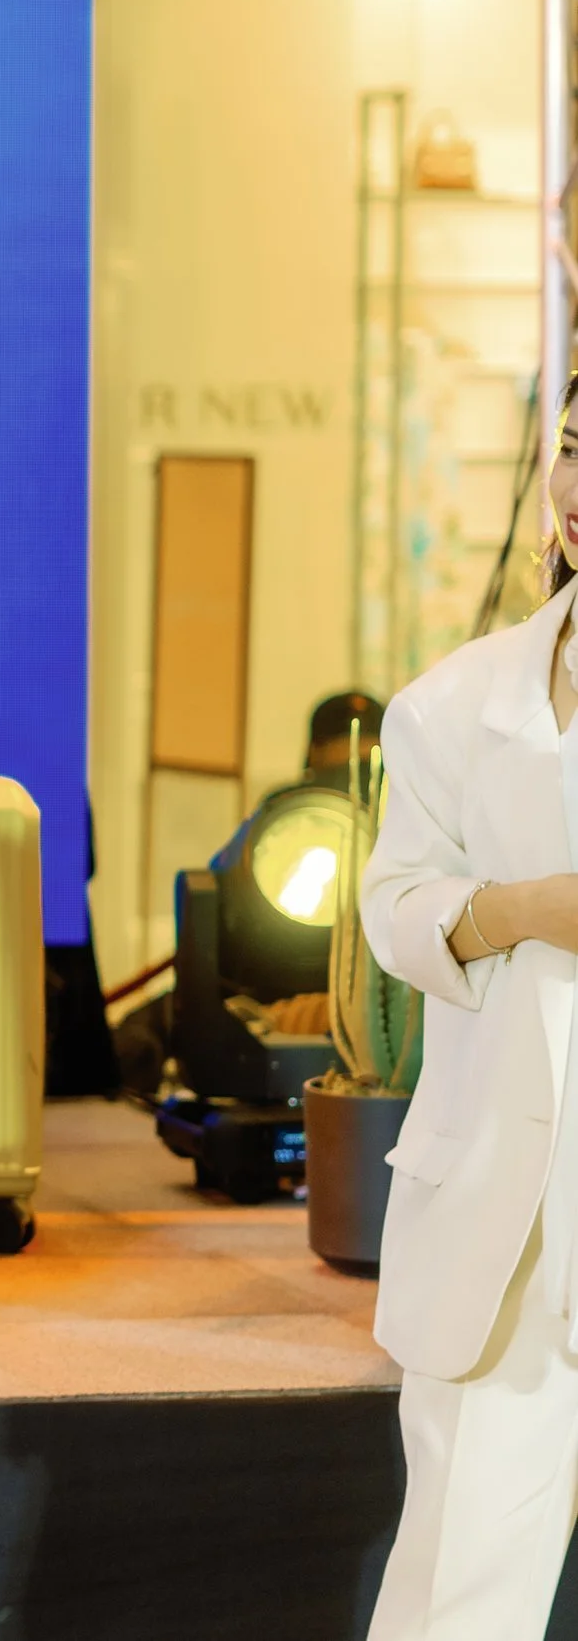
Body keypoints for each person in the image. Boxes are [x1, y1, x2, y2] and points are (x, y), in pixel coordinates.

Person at [363, 376, 578, 1637]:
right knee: (458, 1598)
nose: (575, 482)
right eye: (569, 449)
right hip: (508, 1230)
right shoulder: (453, 702)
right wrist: (521, 907)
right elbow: (394, 904)